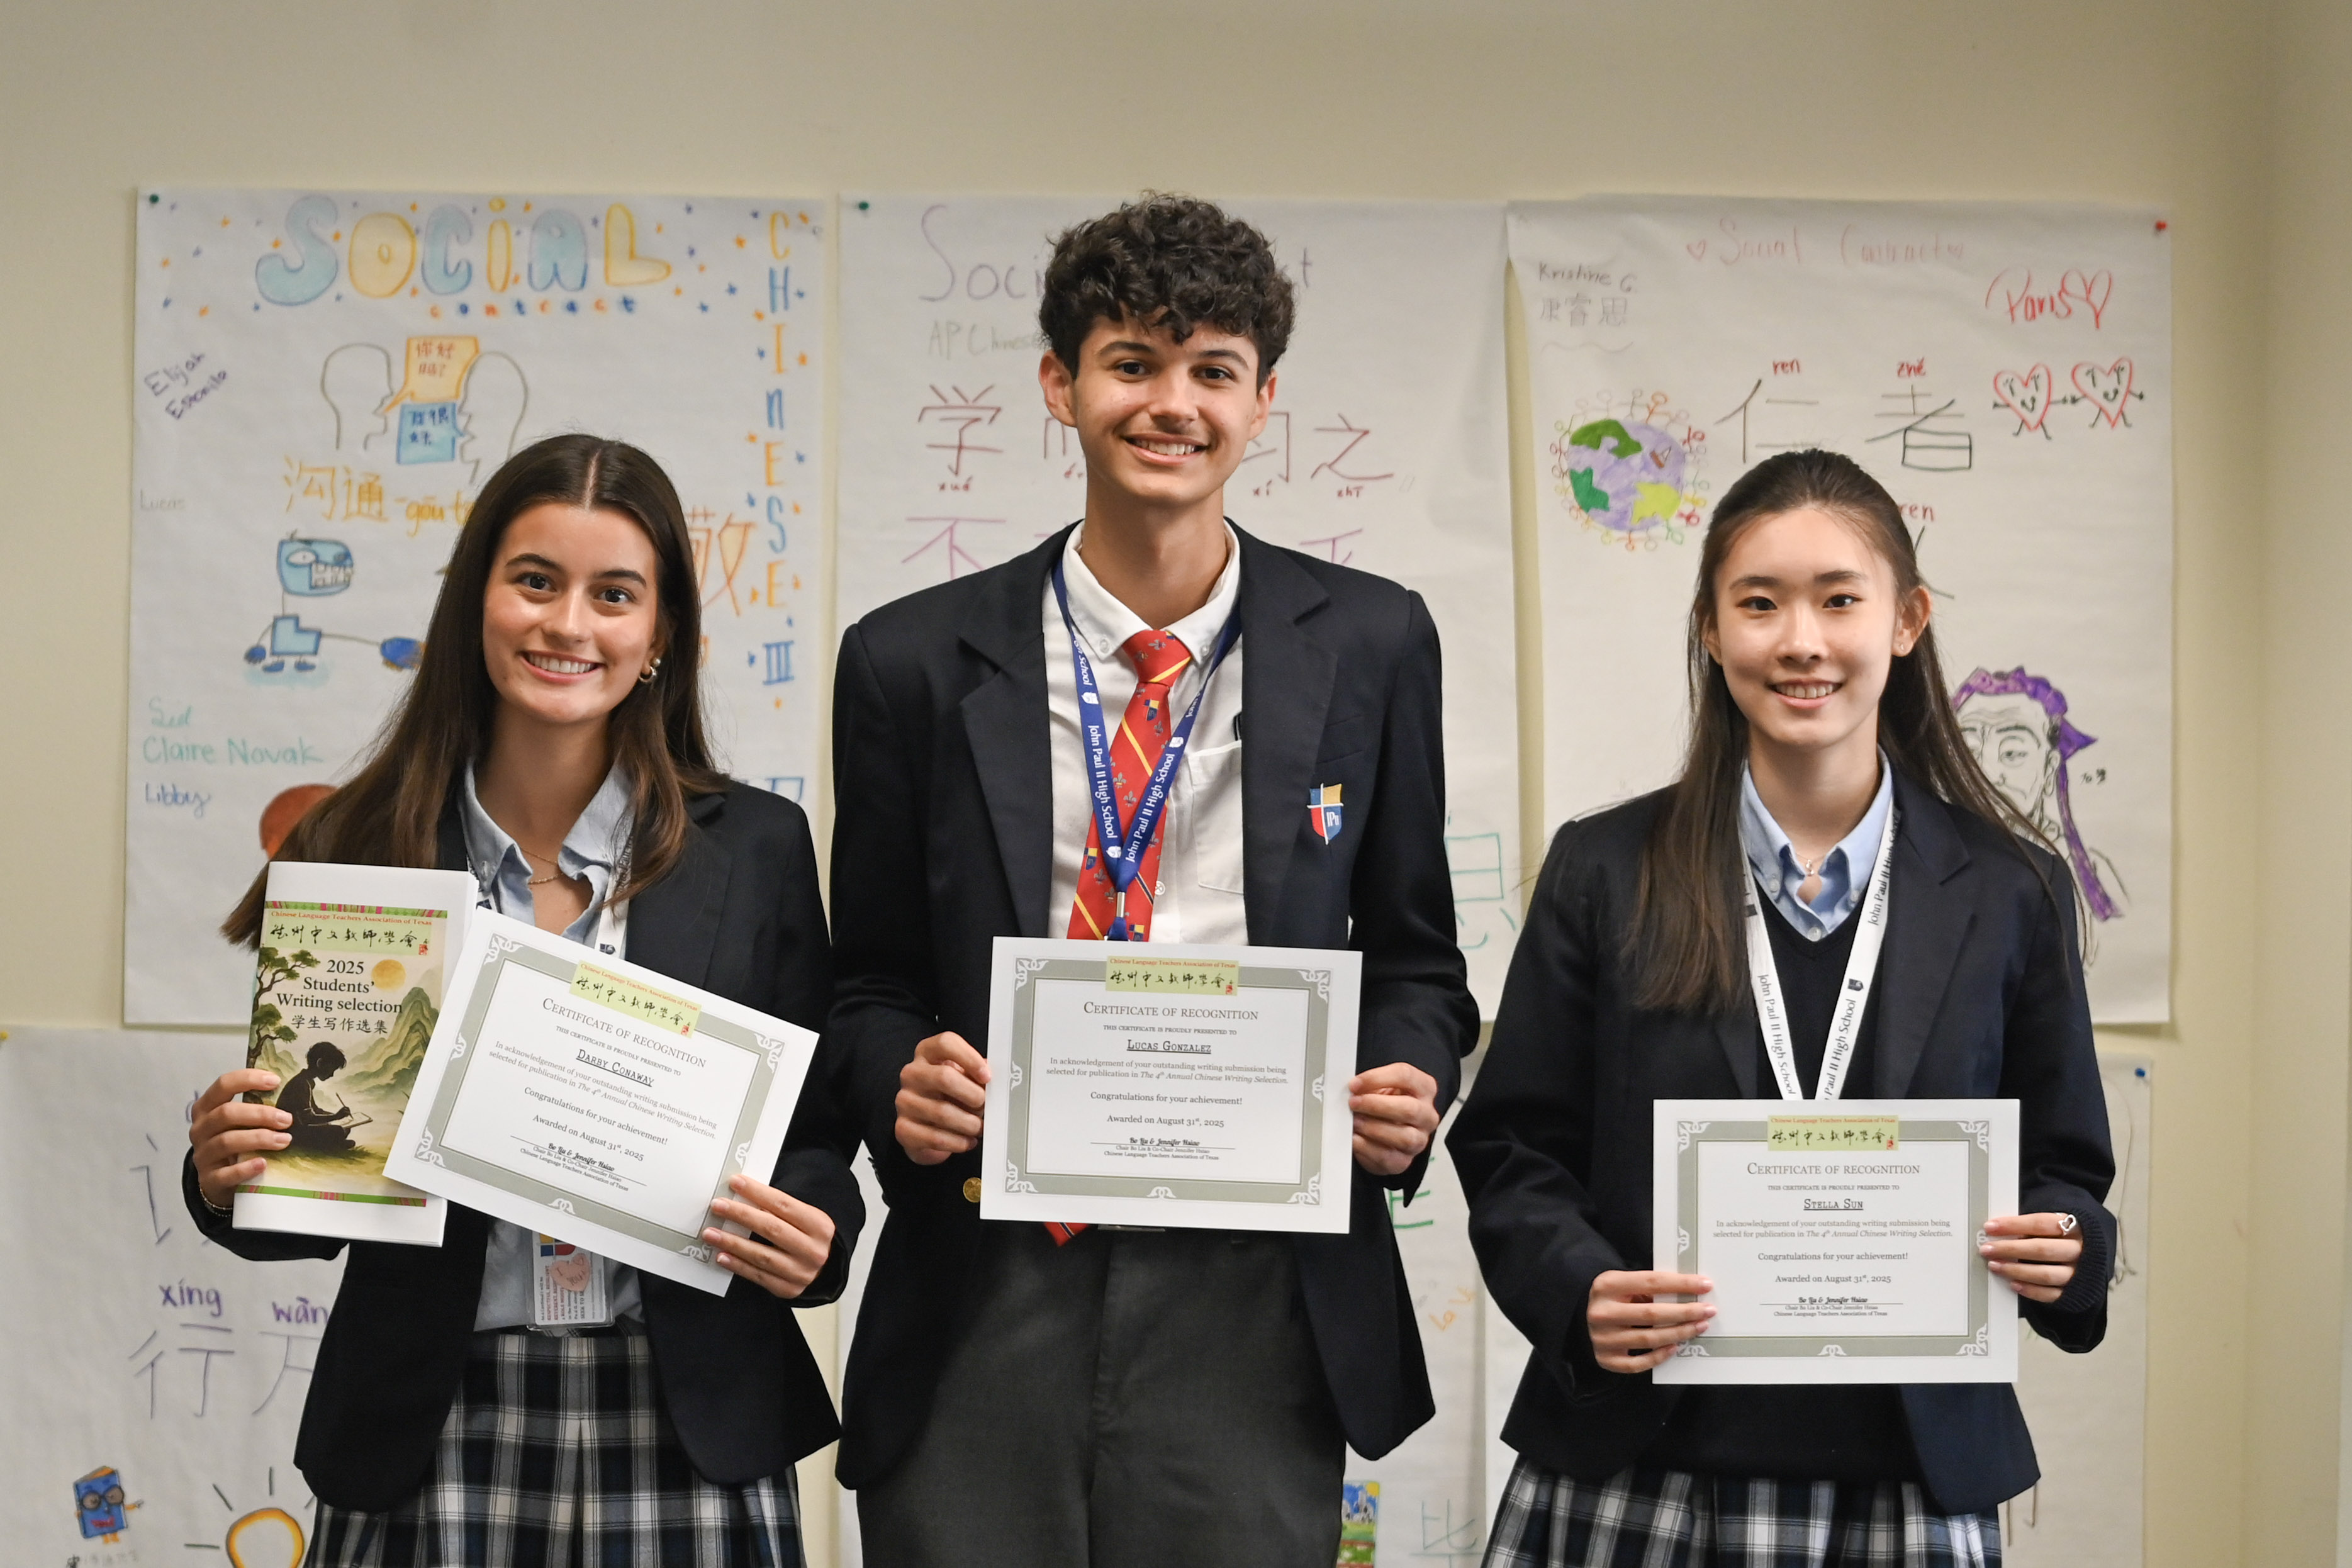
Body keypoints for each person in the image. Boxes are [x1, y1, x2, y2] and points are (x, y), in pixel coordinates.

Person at [827, 194, 1480, 1567]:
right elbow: (867, 979)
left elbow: (1419, 961)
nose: (1169, 403)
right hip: (989, 1276)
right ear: (1061, 386)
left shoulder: (1372, 642)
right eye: (1131, 362)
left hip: (1259, 1281)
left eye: (1212, 371)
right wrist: (901, 1077)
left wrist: (1406, 1084)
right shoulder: (910, 660)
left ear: (1263, 401)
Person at [183, 434, 860, 1567]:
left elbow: (815, 1137)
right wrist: (229, 1171)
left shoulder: (758, 848)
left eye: (614, 595)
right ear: (477, 604)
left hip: (686, 1414)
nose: (568, 625)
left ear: (660, 637)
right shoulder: (352, 844)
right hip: (427, 1416)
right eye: (534, 581)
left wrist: (812, 1234)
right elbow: (302, 1195)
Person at [1450, 449, 2115, 1567]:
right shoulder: (1605, 867)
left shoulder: (2008, 887)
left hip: (1903, 1479)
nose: (1799, 640)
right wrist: (1579, 1292)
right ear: (1710, 631)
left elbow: (2063, 1165)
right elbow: (1514, 1140)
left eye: (1837, 599)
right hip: (1637, 1469)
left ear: (1904, 620)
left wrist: (2065, 1243)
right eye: (1757, 603)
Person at [274, 1040, 358, 1151]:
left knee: (344, 1127)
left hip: (299, 1127)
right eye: (332, 1069)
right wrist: (335, 1117)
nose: (332, 1075)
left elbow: (315, 1110)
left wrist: (337, 1117)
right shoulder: (301, 1083)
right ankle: (331, 1145)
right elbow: (308, 1118)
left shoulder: (306, 1081)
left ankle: (333, 1144)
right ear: (320, 1063)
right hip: (292, 1131)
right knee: (338, 1131)